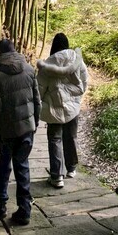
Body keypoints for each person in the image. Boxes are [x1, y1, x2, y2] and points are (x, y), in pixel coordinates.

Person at [0, 38, 41, 226]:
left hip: (7, 130)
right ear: (15, 50)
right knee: (22, 166)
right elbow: (37, 100)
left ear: (0, 54)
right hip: (27, 128)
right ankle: (24, 209)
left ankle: (0, 205)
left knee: (3, 165)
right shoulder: (28, 69)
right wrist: (35, 122)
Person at [37, 32, 88, 188]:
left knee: (55, 139)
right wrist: (74, 98)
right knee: (71, 136)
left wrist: (44, 102)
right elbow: (84, 82)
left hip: (54, 109)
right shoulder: (76, 60)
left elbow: (39, 89)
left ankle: (57, 176)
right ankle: (71, 168)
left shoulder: (47, 66)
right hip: (73, 107)